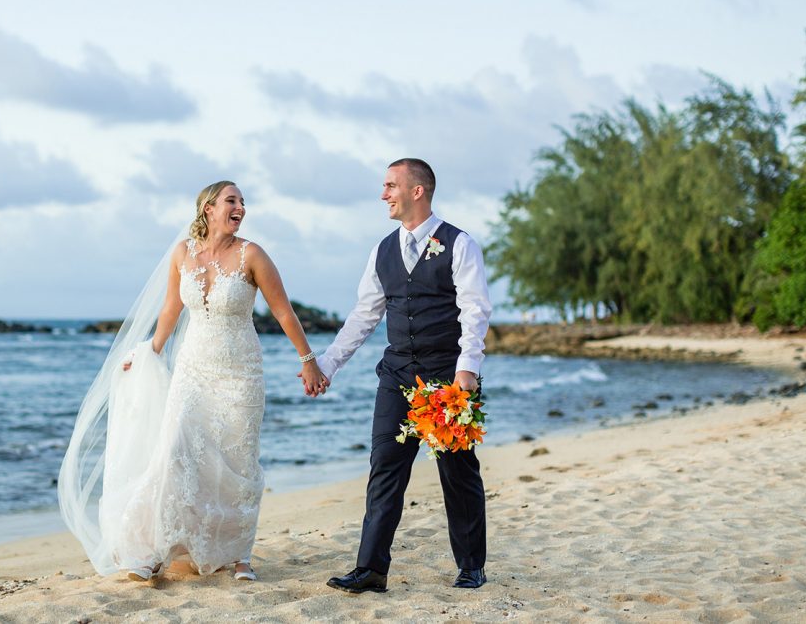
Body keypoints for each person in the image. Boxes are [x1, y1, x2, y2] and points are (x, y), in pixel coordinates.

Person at [59, 181, 327, 583]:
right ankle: (155, 549)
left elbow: (284, 312)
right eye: (232, 201)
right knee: (175, 453)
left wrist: (308, 361)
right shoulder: (182, 253)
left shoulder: (252, 254)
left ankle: (240, 556)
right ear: (208, 208)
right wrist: (151, 350)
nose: (241, 208)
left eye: (242, 202)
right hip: (192, 369)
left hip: (240, 372)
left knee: (237, 463)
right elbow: (170, 309)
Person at [305, 158, 492, 593]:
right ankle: (371, 569)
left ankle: (471, 565)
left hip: (448, 377)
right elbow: (363, 316)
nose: (383, 194)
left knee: (457, 471)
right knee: (385, 468)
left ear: (417, 191)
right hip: (396, 376)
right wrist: (327, 364)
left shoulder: (460, 244)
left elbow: (475, 309)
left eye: (391, 186)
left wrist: (468, 367)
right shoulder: (382, 250)